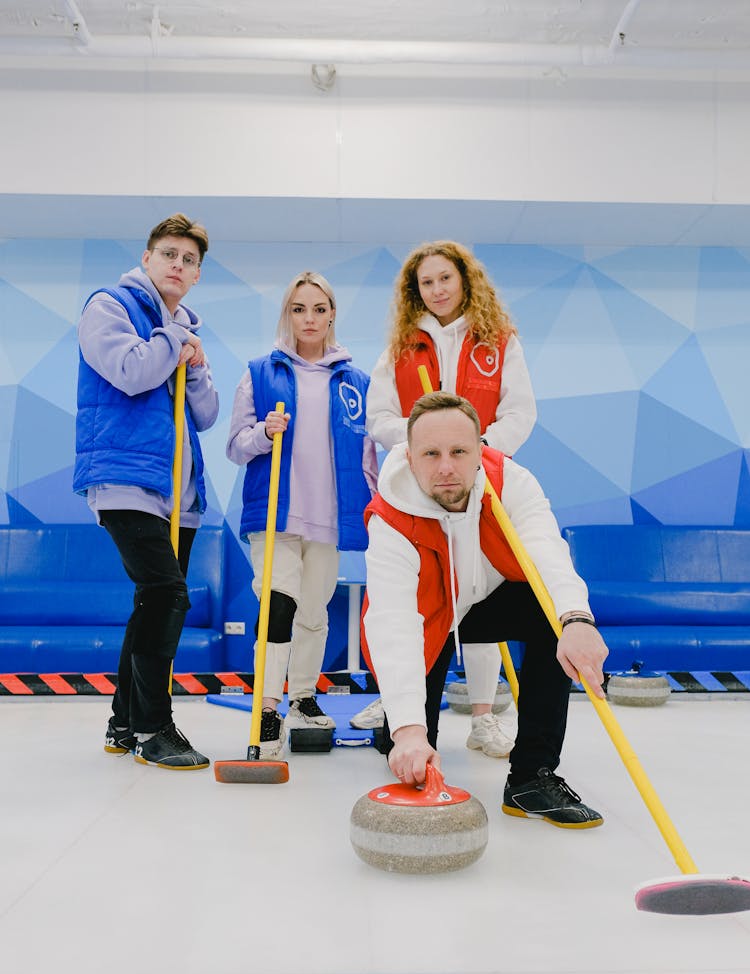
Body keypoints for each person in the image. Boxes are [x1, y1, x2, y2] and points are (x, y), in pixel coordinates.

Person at [362, 392, 608, 828]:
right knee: (412, 746)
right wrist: (408, 733)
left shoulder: (512, 482)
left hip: (488, 598)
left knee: (550, 612)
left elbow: (548, 554)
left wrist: (577, 619)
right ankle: (396, 724)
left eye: (459, 451)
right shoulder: (390, 517)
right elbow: (395, 623)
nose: (446, 467)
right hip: (427, 615)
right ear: (409, 456)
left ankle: (532, 778)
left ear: (480, 450)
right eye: (431, 453)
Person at [360, 240, 537, 758]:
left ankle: (483, 716)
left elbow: (520, 413)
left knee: (481, 590)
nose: (436, 290)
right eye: (426, 283)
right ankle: (405, 710)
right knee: (425, 600)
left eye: (445, 278)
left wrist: (478, 453)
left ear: (465, 279)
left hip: (483, 485)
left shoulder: (498, 341)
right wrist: (422, 448)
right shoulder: (400, 347)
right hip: (419, 492)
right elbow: (380, 418)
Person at [74, 213, 219, 770]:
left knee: (150, 603)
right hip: (126, 481)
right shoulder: (109, 307)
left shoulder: (182, 332)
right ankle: (155, 728)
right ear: (147, 257)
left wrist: (196, 363)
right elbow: (132, 373)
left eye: (189, 260)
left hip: (178, 493)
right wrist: (175, 338)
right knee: (166, 596)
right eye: (169, 255)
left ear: (197, 274)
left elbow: (203, 414)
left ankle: (122, 723)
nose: (178, 266)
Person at [227, 271, 378, 758]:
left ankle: (304, 697)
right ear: (286, 314)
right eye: (298, 309)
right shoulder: (259, 371)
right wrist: (262, 433)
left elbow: (368, 456)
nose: (309, 319)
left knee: (314, 613)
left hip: (330, 517)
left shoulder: (356, 380)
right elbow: (235, 446)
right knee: (279, 604)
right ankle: (268, 706)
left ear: (332, 313)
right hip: (275, 515)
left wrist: (375, 506)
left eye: (318, 309)